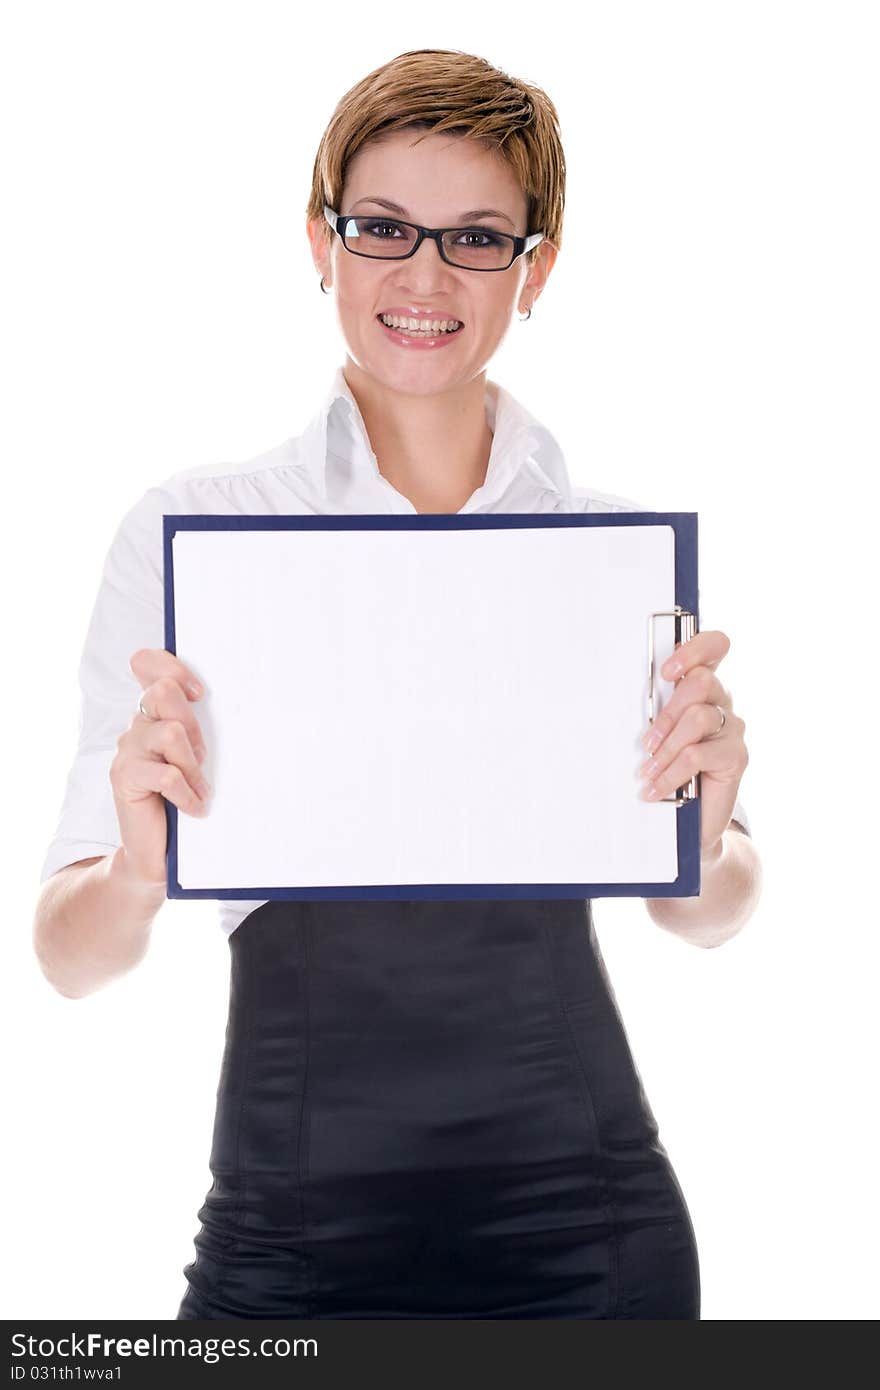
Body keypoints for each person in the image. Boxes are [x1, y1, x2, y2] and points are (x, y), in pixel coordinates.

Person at [33, 49, 761, 1319]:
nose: (423, 278)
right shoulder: (198, 530)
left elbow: (707, 910)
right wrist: (144, 867)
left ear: (535, 268)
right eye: (382, 229)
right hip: (286, 1235)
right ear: (321, 244)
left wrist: (703, 833)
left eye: (475, 239)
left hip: (587, 1230)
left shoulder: (609, 553)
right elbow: (69, 959)